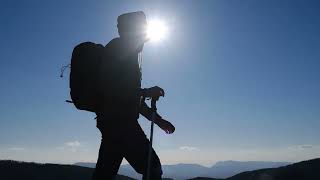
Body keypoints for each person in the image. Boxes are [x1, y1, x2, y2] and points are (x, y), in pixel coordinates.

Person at [92, 11, 175, 180]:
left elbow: (130, 97)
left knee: (104, 175)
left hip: (112, 124)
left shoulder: (124, 52)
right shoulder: (119, 50)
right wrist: (146, 92)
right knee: (153, 168)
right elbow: (114, 90)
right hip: (121, 124)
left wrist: (159, 121)